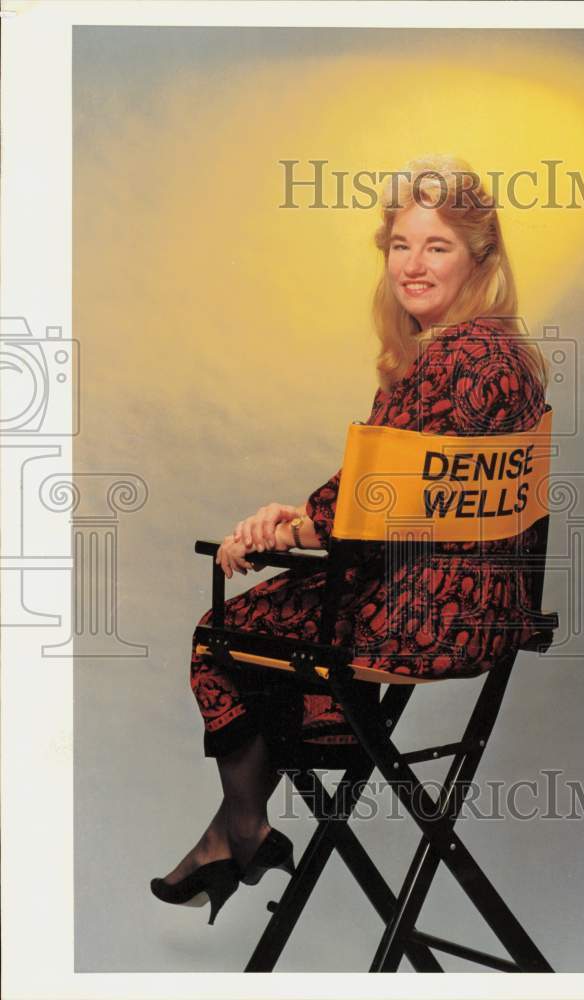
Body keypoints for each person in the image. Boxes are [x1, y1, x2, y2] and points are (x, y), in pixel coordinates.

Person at [150, 154, 550, 925]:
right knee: (284, 617)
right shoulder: (511, 355)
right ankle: (235, 832)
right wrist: (298, 519)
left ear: (479, 257)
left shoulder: (455, 361)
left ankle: (240, 829)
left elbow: (366, 513)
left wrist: (280, 528)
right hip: (486, 608)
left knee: (222, 629)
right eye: (400, 245)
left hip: (422, 615)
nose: (412, 264)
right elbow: (395, 489)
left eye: (436, 246)